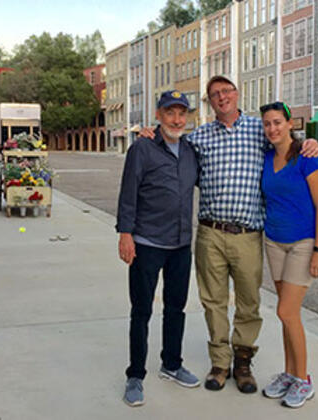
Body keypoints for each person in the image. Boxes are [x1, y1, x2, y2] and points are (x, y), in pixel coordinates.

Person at [140, 76, 318, 394]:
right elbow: (171, 142)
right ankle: (220, 363)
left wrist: (310, 142)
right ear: (210, 102)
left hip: (248, 233)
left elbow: (284, 140)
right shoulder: (200, 137)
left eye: (226, 91)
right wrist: (150, 134)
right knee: (214, 301)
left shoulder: (258, 129)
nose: (221, 97)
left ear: (236, 94)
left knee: (249, 301)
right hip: (210, 233)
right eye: (214, 95)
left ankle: (243, 361)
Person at [116, 90, 201, 407]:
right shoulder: (142, 149)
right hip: (147, 243)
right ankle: (135, 375)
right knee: (141, 312)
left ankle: (172, 363)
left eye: (182, 113)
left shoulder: (192, 151)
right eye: (170, 113)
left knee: (176, 308)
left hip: (180, 244)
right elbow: (128, 194)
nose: (177, 119)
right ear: (159, 114)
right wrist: (125, 233)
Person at [259, 101, 318, 408]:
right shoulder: (265, 157)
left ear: (290, 123)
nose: (272, 128)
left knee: (286, 312)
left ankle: (304, 380)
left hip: (302, 242)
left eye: (277, 122)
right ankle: (289, 374)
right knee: (289, 316)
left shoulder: (307, 157)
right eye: (267, 124)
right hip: (274, 242)